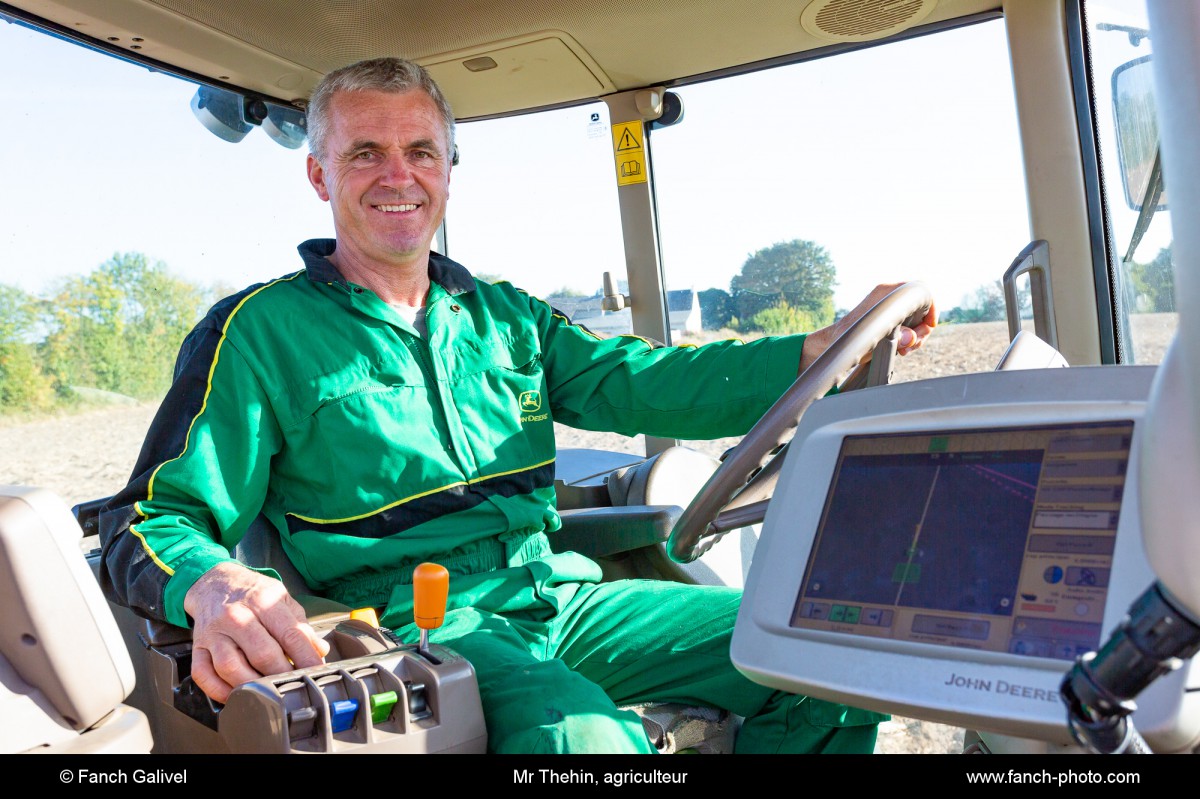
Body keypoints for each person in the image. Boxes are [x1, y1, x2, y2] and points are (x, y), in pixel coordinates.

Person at [98, 57, 936, 755]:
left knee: (833, 645)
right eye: (365, 153)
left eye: (421, 151)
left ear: (448, 170)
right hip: (419, 625)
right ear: (319, 173)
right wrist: (211, 582)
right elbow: (150, 516)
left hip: (559, 593)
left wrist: (820, 348)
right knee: (587, 741)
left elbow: (650, 380)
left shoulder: (508, 318)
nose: (399, 175)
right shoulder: (258, 333)